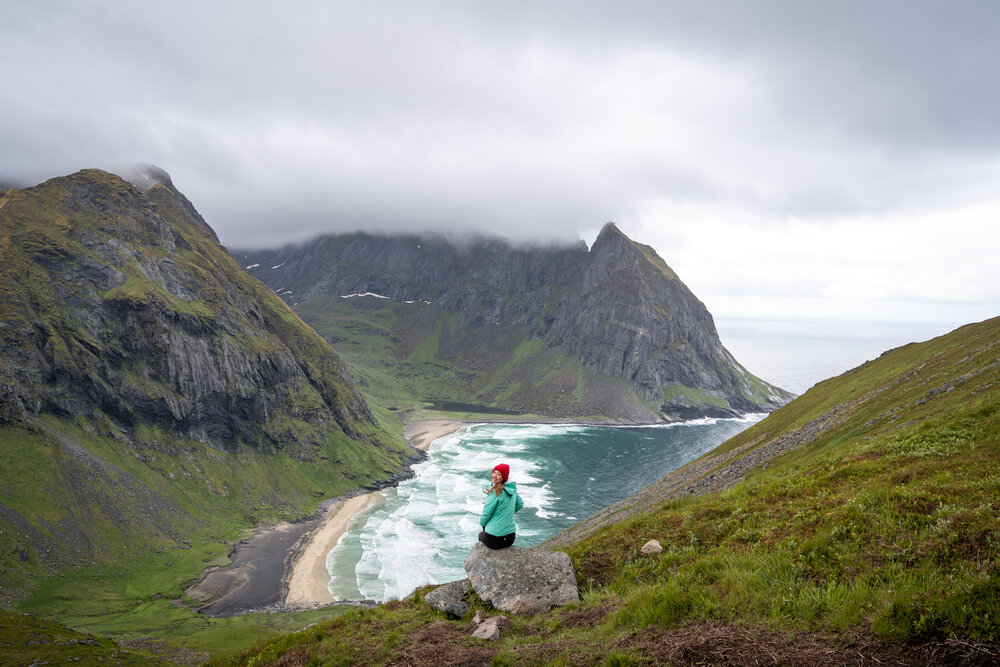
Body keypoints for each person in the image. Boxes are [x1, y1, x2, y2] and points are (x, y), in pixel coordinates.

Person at [478, 463, 523, 549]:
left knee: (481, 535)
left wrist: (483, 525)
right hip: (510, 538)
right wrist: (506, 513)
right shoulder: (512, 490)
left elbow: (486, 513)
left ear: (503, 477)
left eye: (499, 474)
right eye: (494, 472)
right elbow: (520, 504)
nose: (495, 476)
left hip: (494, 539)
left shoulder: (495, 492)